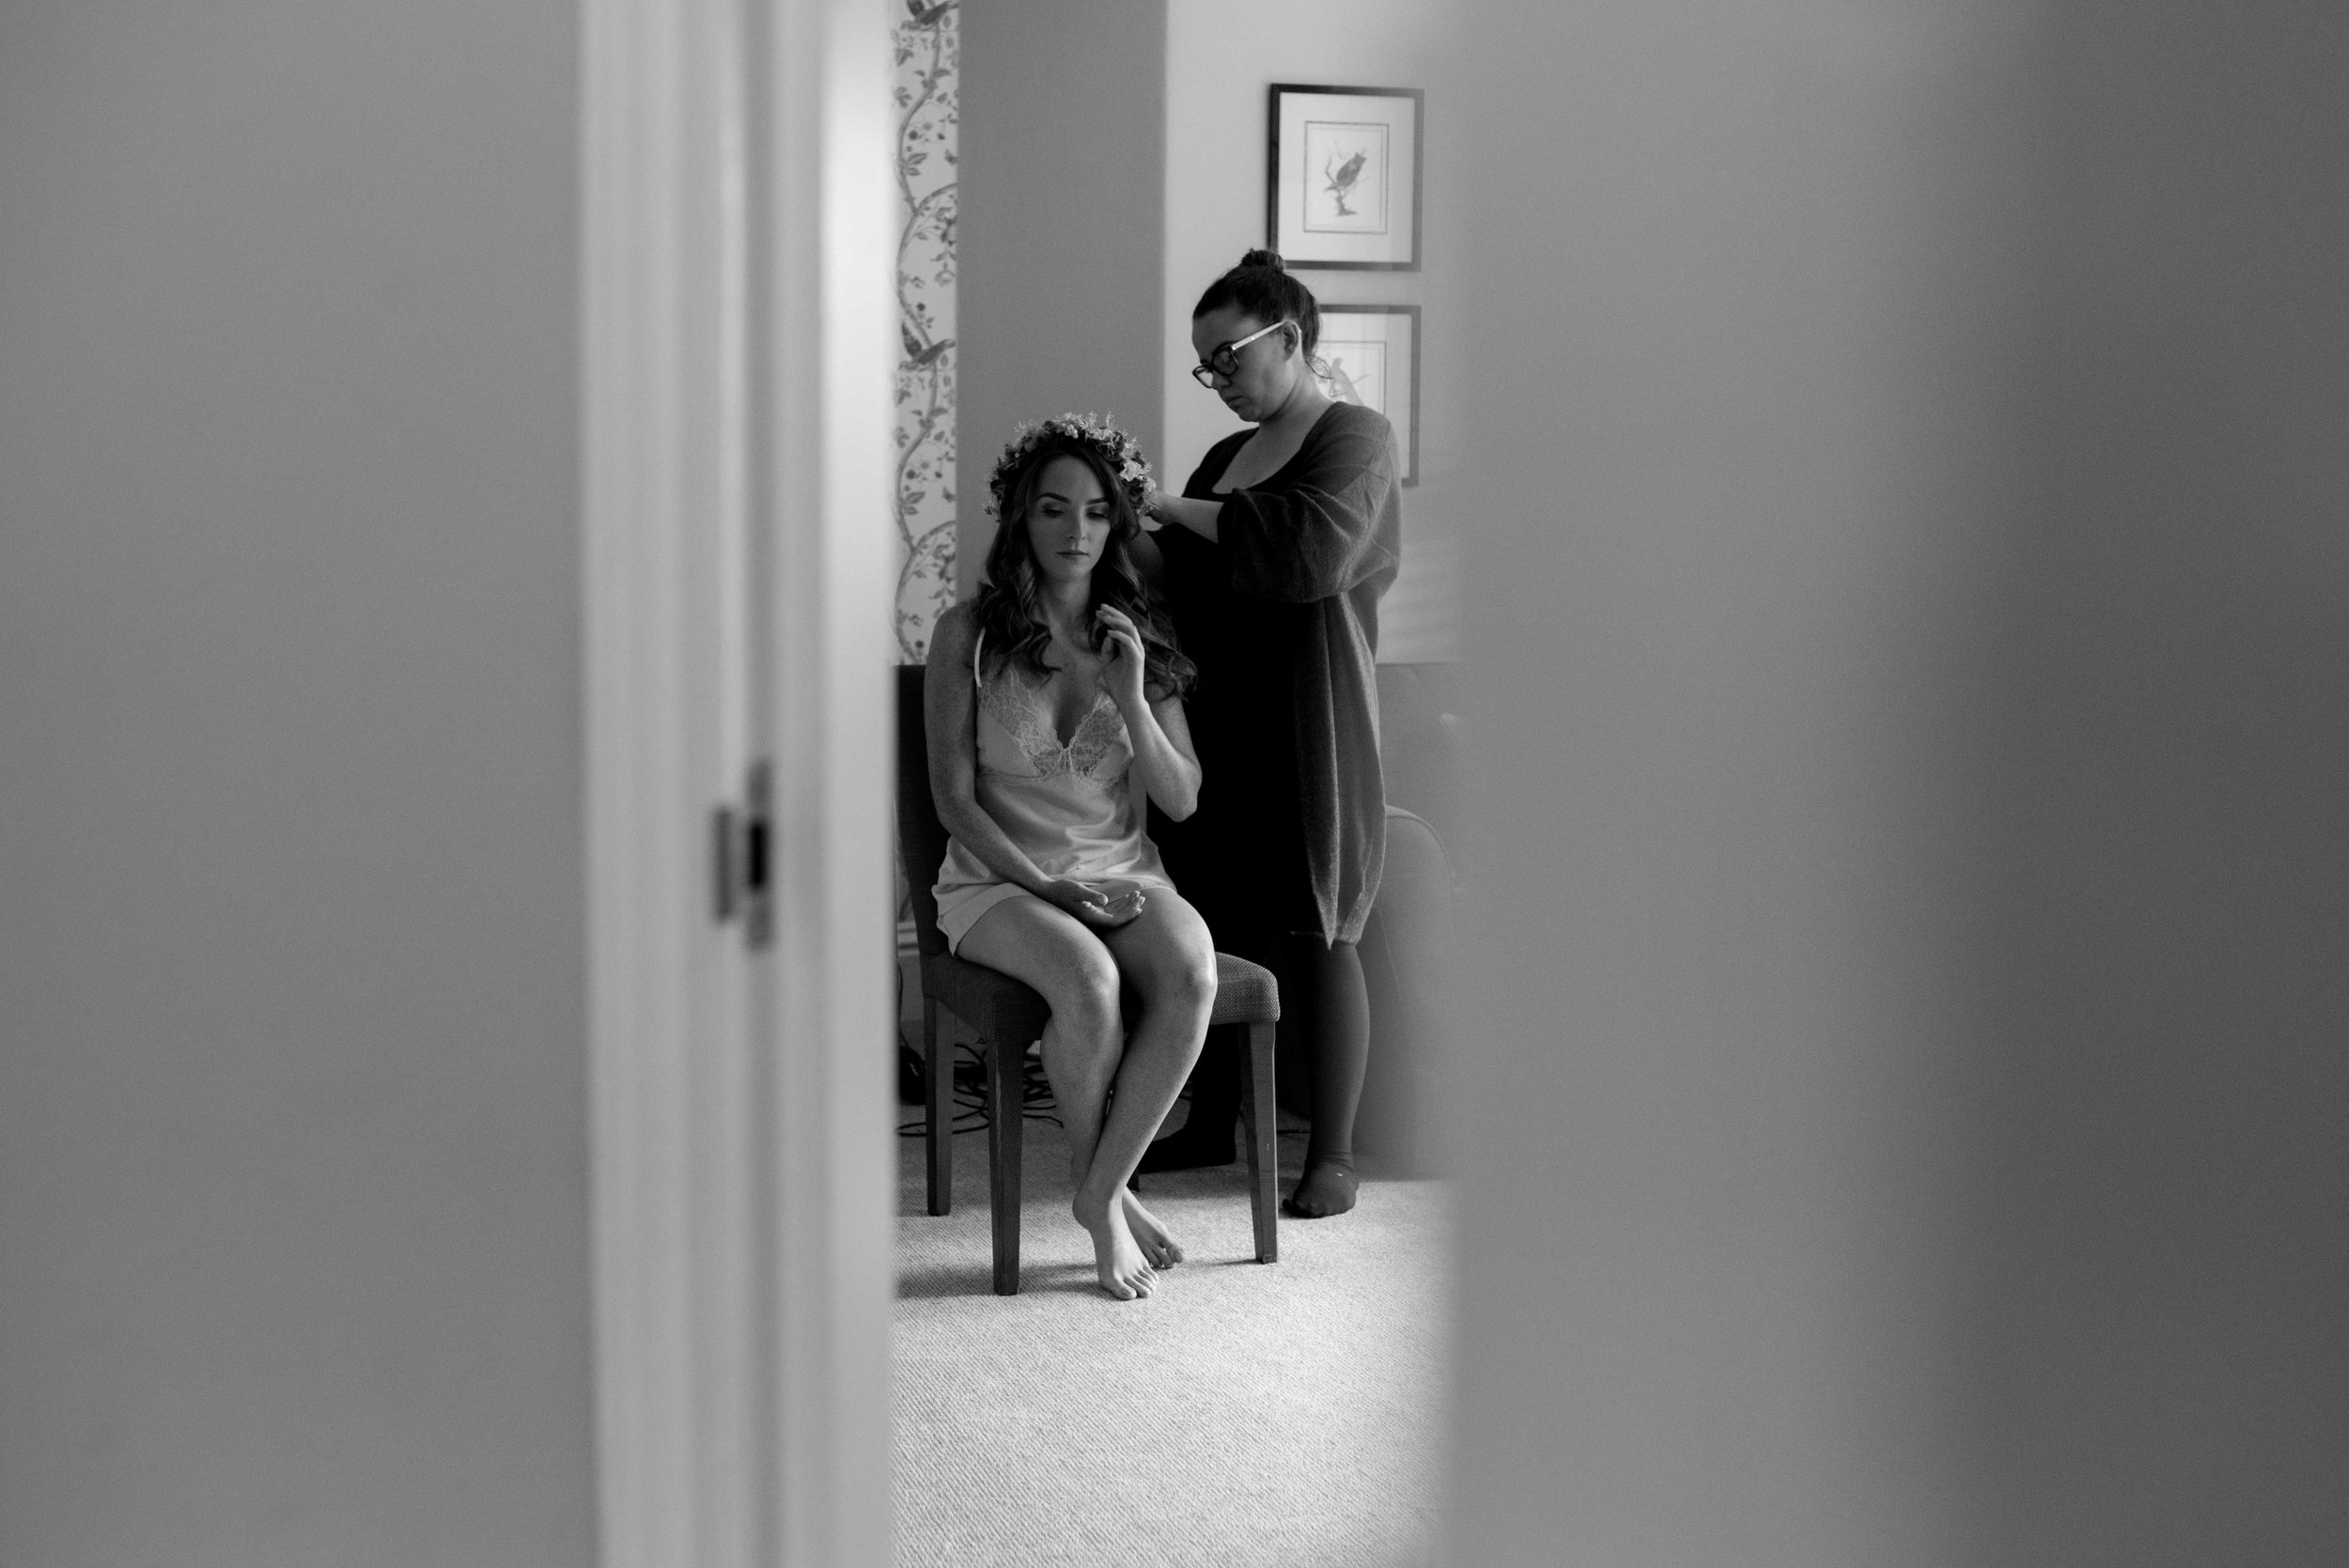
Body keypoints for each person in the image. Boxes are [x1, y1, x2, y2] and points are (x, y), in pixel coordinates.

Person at [926, 413, 1218, 1301]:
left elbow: (1181, 798)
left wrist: (1132, 700)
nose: (1076, 531)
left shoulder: (1137, 635)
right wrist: (1047, 883)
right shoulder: (966, 634)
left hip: (1121, 868)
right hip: (997, 879)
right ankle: (1114, 1206)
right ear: (1022, 516)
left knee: (1193, 976)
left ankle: (1099, 1196)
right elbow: (954, 801)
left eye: (1096, 513)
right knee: (1087, 983)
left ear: (1116, 524)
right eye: (1054, 509)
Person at [1136, 250, 1402, 1219]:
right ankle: (1211, 1119)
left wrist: (1176, 510)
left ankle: (1331, 1152)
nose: (1218, 380)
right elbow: (1175, 577)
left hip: (1311, 717)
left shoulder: (1356, 439)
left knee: (1315, 926)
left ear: (1289, 340)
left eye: (1228, 357)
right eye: (1205, 365)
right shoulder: (1221, 463)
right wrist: (1123, 515)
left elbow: (1307, 553)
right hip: (1215, 718)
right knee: (1211, 922)